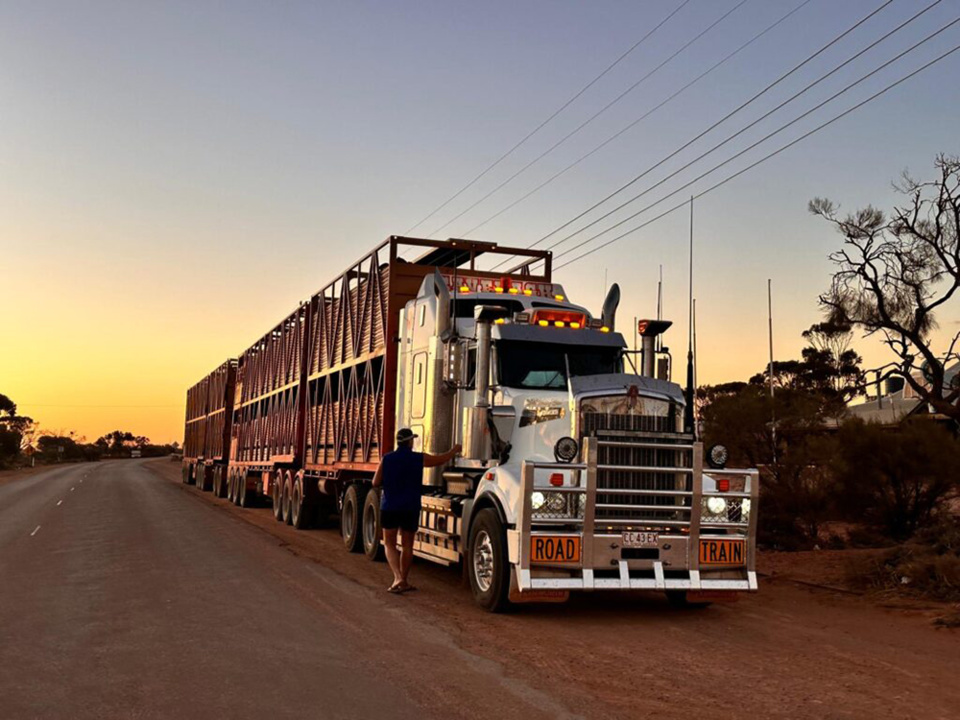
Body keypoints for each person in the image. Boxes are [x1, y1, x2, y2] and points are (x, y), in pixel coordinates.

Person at [373, 428, 460, 594]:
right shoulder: (418, 458)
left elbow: (375, 482)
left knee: (390, 544)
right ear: (410, 441)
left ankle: (397, 578)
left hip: (390, 506)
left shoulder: (387, 459)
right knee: (407, 545)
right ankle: (403, 580)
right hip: (410, 507)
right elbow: (439, 460)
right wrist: (454, 451)